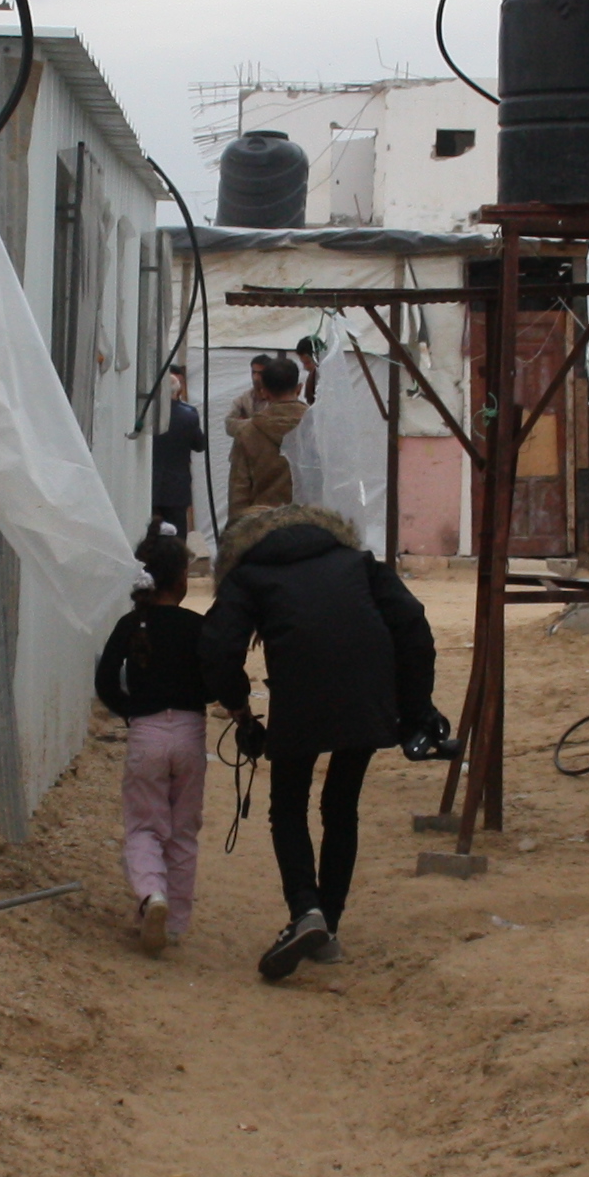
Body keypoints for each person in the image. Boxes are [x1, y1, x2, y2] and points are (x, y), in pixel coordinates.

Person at [202, 499, 440, 982]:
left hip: (301, 694)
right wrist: (416, 708)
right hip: (367, 693)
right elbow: (413, 624)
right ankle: (327, 928)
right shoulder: (356, 562)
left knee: (288, 807)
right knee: (341, 806)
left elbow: (218, 647)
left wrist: (240, 709)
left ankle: (305, 911)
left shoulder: (249, 575)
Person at [92, 529, 212, 953]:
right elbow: (215, 677)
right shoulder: (198, 627)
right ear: (181, 580)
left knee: (144, 824)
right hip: (190, 733)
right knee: (183, 829)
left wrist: (131, 709)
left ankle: (151, 895)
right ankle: (176, 922)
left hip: (146, 734)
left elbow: (105, 681)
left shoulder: (130, 625)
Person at [222, 351, 309, 524]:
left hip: (263, 528)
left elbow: (239, 494)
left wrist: (236, 537)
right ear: (299, 389)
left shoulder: (248, 433)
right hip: (310, 525)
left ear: (265, 392)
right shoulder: (318, 426)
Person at [148, 365, 205, 541]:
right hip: (177, 486)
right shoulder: (189, 415)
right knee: (177, 535)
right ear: (178, 390)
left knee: (151, 534)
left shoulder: (147, 413)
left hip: (149, 483)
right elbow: (199, 444)